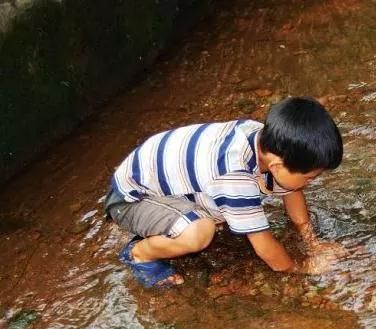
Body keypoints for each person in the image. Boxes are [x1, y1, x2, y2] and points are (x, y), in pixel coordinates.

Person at [104, 96, 344, 288]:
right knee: (199, 232)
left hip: (165, 186)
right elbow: (264, 247)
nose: (311, 183)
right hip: (131, 200)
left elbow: (292, 189)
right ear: (277, 166)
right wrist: (302, 267)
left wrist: (313, 242)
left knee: (244, 203)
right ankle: (140, 253)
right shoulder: (234, 174)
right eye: (311, 177)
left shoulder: (265, 140)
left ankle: (174, 223)